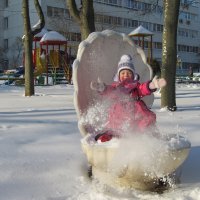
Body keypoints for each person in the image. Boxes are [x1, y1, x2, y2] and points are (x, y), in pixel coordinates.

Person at [91, 54, 166, 142]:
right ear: (118, 75)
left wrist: (152, 85)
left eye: (129, 73)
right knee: (115, 127)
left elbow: (143, 88)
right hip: (119, 112)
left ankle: (147, 138)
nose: (126, 75)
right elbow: (110, 91)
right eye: (123, 73)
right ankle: (107, 139)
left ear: (133, 75)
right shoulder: (116, 87)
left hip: (136, 111)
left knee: (144, 123)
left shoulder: (136, 86)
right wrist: (102, 88)